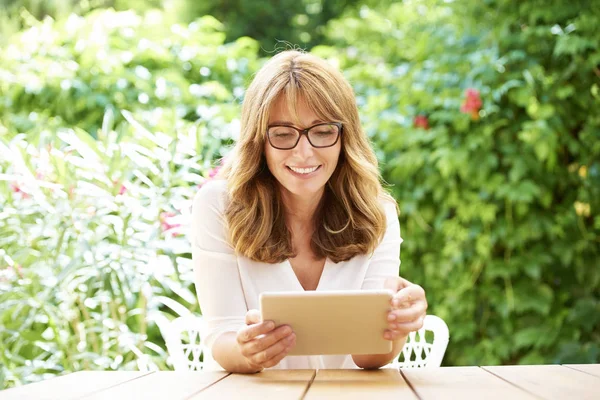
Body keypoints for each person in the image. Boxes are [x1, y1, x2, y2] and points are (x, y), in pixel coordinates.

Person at [191, 50, 428, 373]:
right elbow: (222, 336)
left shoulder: (377, 213)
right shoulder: (219, 206)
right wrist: (248, 352)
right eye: (283, 134)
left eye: (322, 131)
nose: (304, 153)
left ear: (345, 137)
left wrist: (395, 328)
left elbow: (369, 353)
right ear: (259, 141)